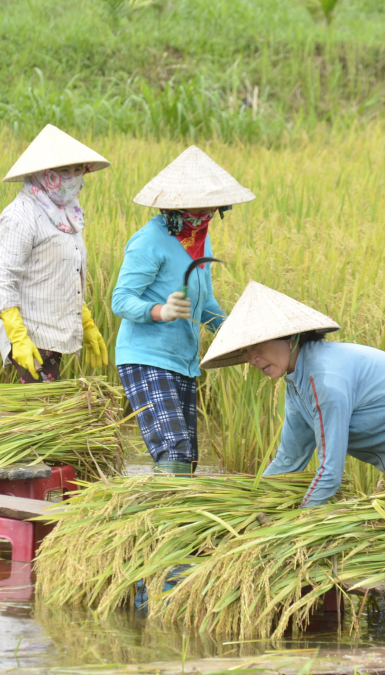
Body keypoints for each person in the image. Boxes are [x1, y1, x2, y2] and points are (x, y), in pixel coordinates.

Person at [200, 281, 385, 521]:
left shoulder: (324, 378)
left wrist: (297, 524)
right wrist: (251, 505)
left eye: (256, 347)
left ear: (289, 337)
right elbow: (289, 460)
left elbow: (329, 473)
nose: (251, 359)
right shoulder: (297, 385)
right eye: (244, 352)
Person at [112, 146, 255, 476]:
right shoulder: (149, 241)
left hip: (183, 362)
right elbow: (121, 300)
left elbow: (203, 303)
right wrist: (160, 311)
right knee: (173, 449)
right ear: (175, 202)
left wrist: (236, 331)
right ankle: (159, 523)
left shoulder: (201, 241)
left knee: (188, 457)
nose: (207, 210)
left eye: (212, 203)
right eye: (199, 202)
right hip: (146, 358)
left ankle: (174, 519)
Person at [0, 124, 111, 383]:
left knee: (37, 414)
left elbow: (65, 273)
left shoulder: (69, 214)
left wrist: (85, 321)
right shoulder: (21, 214)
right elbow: (2, 279)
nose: (72, 176)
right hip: (30, 335)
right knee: (39, 414)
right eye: (63, 170)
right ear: (43, 173)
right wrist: (19, 338)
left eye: (77, 169)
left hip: (56, 331)